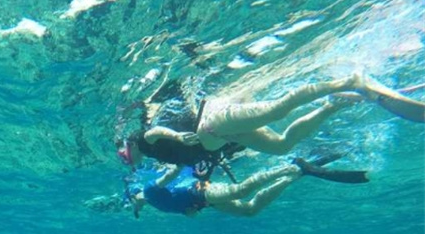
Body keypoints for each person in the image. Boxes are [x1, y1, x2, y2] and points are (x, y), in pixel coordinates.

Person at [119, 73, 424, 165]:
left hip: (210, 121)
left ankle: (348, 82)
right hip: (221, 133)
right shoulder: (159, 159)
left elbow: (155, 131)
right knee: (280, 146)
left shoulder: (145, 142)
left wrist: (175, 137)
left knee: (278, 110)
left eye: (123, 154)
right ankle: (332, 105)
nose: (125, 159)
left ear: (128, 145)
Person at [124, 155, 367, 218]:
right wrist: (190, 212)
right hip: (203, 201)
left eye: (131, 203)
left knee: (240, 191)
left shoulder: (148, 190)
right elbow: (184, 210)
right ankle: (295, 174)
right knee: (249, 210)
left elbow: (172, 174)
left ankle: (288, 167)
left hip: (198, 190)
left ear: (133, 195)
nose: (135, 208)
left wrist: (178, 160)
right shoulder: (153, 205)